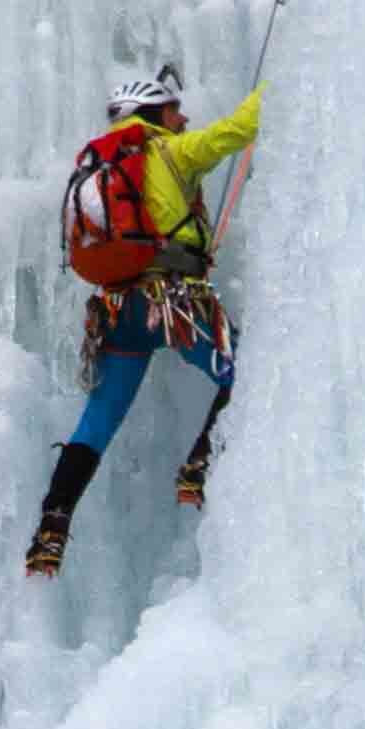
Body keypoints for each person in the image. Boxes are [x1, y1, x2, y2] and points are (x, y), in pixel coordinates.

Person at [27, 60, 261, 576]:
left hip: (118, 314)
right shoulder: (173, 152)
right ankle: (197, 464)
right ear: (153, 113)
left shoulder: (97, 165)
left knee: (97, 423)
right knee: (252, 371)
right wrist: (285, 70)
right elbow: (241, 128)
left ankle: (51, 529)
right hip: (172, 302)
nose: (183, 118)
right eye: (174, 110)